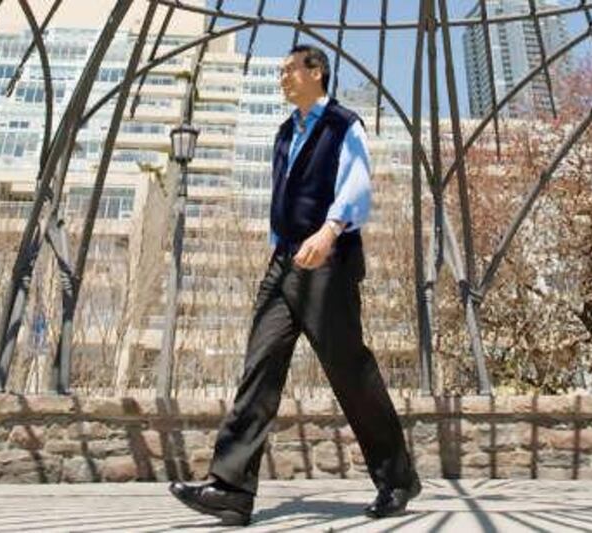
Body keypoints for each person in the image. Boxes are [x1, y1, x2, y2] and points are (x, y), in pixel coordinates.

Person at [169, 44, 420, 526]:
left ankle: (397, 478)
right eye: (281, 70)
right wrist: (280, 244)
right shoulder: (285, 132)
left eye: (289, 69)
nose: (282, 77)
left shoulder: (343, 124)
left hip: (329, 261)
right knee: (259, 365)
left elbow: (357, 185)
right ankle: (231, 488)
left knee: (349, 371)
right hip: (283, 261)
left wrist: (329, 231)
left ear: (316, 72)